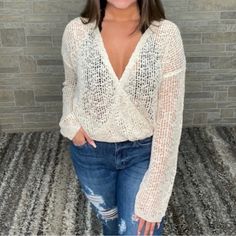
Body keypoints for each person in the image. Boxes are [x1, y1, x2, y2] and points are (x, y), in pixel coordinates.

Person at [59, 0, 186, 235]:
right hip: (90, 154)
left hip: (143, 153)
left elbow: (170, 118)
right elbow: (71, 83)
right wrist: (70, 123)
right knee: (111, 225)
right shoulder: (76, 31)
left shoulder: (166, 35)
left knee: (138, 230)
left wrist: (155, 192)